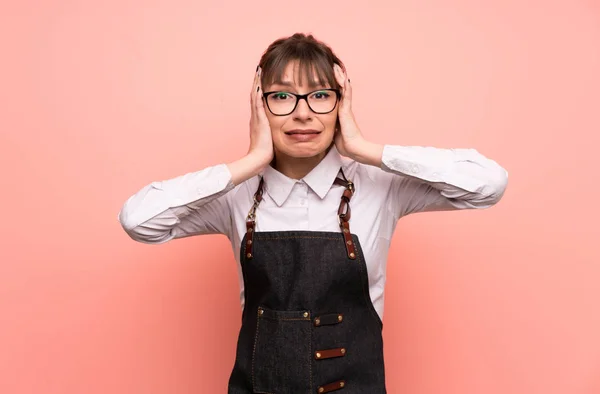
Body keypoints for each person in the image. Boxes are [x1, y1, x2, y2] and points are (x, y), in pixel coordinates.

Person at [118, 33, 508, 394]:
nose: (302, 113)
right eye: (282, 97)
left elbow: (487, 185)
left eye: (320, 96)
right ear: (259, 105)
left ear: (342, 102)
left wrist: (364, 148)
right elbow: (139, 221)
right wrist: (251, 161)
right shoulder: (234, 196)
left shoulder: (382, 186)